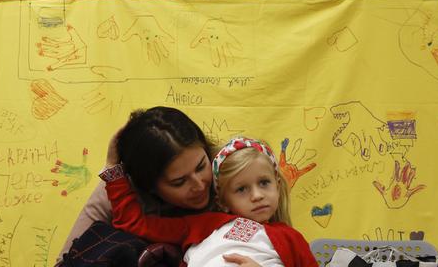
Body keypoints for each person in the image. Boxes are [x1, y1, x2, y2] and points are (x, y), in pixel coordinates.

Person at [101, 136, 317, 267]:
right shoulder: (203, 225)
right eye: (241, 189)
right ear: (222, 200)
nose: (257, 195)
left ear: (277, 185)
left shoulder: (291, 238)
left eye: (264, 183)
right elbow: (134, 224)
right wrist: (113, 171)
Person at [56, 106, 221, 264]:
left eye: (201, 166)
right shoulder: (120, 189)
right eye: (179, 182)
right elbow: (68, 261)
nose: (199, 185)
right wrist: (112, 170)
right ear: (148, 185)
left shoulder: (229, 171)